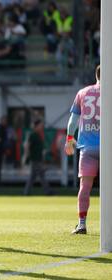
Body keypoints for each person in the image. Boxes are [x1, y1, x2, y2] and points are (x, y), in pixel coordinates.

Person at [65, 65, 100, 234]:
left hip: (88, 147)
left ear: (96, 75)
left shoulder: (83, 92)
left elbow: (72, 122)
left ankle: (82, 224)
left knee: (85, 186)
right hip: (108, 146)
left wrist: (69, 140)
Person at [23, 120, 54, 196]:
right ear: (36, 126)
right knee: (41, 175)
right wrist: (27, 156)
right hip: (35, 159)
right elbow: (27, 146)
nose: (42, 127)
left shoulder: (38, 135)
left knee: (33, 176)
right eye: (40, 125)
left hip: (38, 158)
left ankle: (26, 192)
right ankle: (48, 191)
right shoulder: (32, 135)